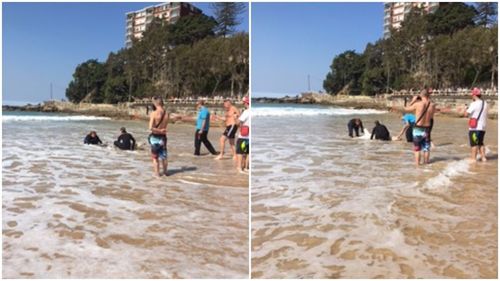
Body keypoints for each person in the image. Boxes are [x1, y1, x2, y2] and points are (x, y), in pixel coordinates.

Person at [404, 89, 436, 166]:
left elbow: (406, 109)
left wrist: (413, 100)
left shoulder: (418, 104)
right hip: (427, 129)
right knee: (426, 148)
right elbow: (431, 117)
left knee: (417, 149)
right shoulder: (432, 105)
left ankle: (418, 166)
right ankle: (426, 165)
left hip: (418, 128)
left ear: (421, 95)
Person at [465, 88, 488, 162]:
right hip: (483, 127)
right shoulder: (485, 103)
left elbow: (466, 114)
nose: (471, 96)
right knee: (480, 143)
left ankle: (473, 159)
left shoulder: (473, 104)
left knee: (474, 144)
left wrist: (465, 108)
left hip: (475, 128)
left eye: (472, 95)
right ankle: (483, 158)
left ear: (474, 95)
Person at [148, 96, 169, 177]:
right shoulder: (166, 114)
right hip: (163, 138)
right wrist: (162, 131)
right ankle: (166, 173)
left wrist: (159, 130)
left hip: (155, 138)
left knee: (155, 158)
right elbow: (165, 127)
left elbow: (150, 128)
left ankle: (157, 175)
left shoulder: (153, 113)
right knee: (164, 157)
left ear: (155, 103)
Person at [236, 96, 250, 172]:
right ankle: (246, 167)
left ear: (247, 103)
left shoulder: (246, 112)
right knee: (248, 152)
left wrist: (236, 118)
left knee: (240, 152)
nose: (244, 104)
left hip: (243, 136)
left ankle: (239, 168)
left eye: (244, 102)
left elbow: (238, 122)